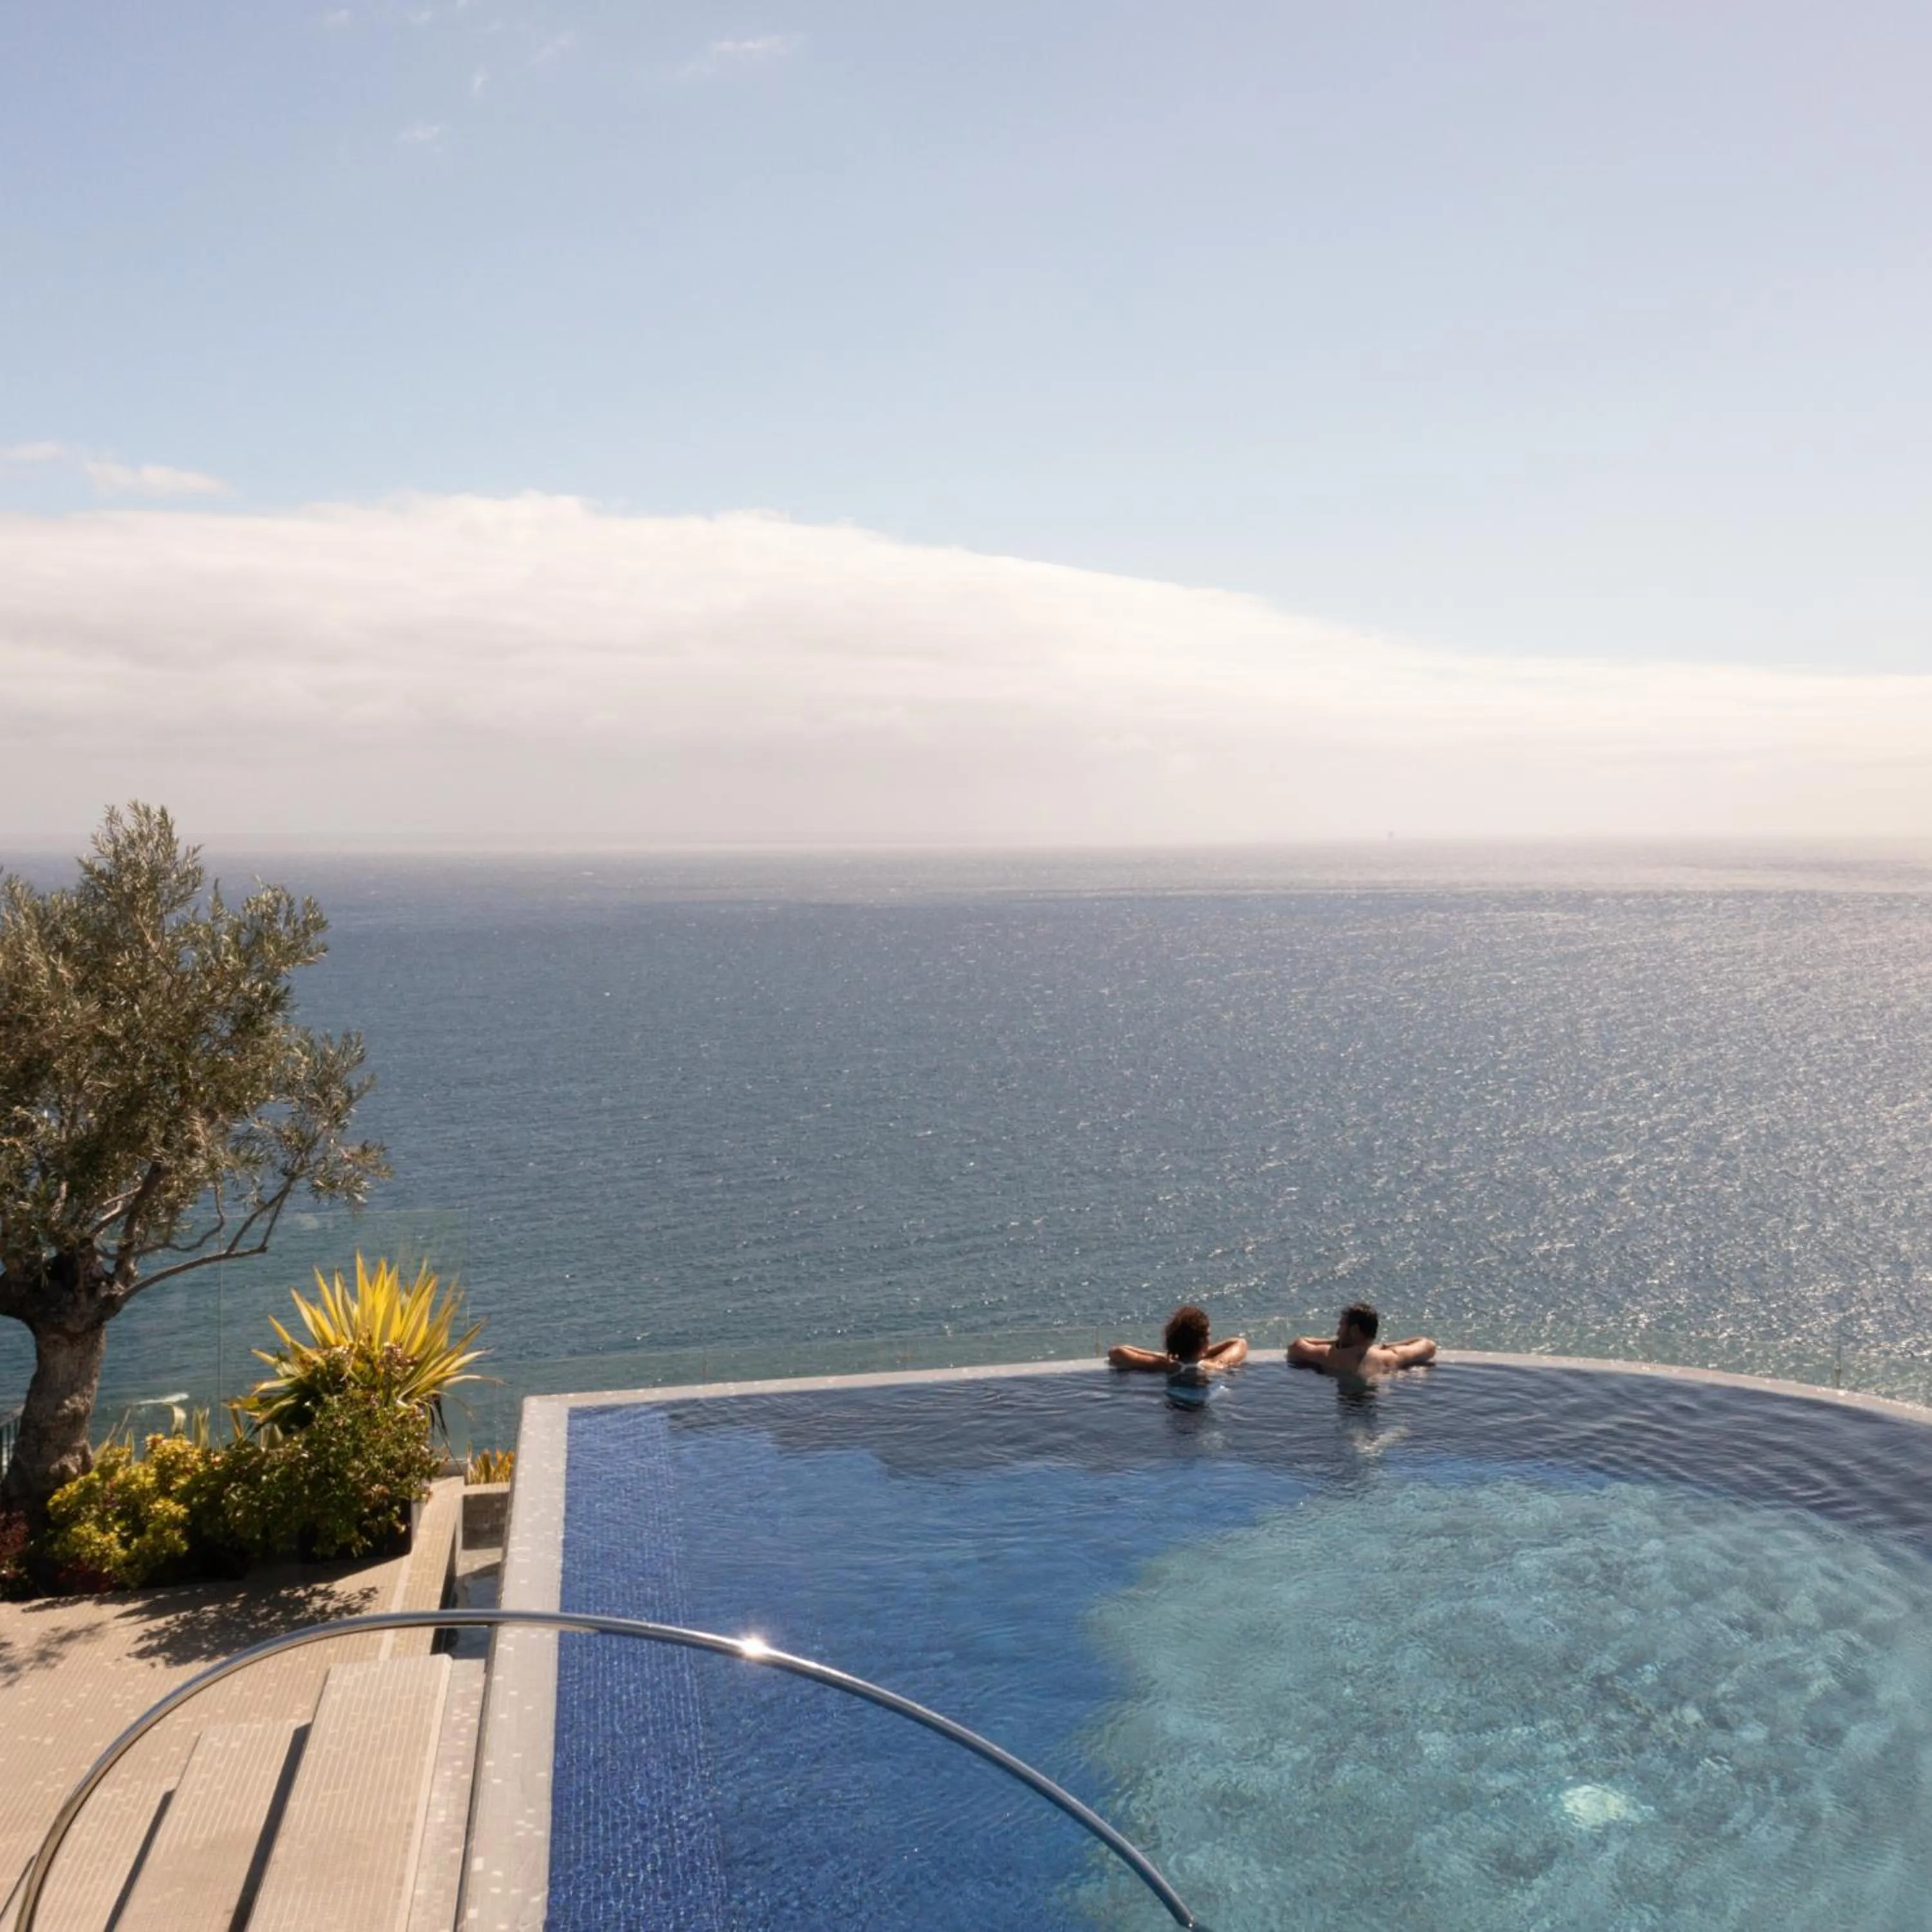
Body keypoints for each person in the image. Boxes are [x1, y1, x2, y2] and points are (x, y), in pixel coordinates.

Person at [1109, 1304, 1249, 1406]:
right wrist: (1204, 1354)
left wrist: (1163, 1356)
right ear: (1204, 1342)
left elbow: (1117, 1352)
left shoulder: (1163, 1365)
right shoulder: (1215, 1365)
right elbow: (1239, 1343)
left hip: (1174, 1404)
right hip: (1208, 1401)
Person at [1288, 1303, 1435, 1381]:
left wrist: (1333, 1342)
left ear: (1355, 1330)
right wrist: (1386, 1346)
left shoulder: (1331, 1355)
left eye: (1341, 1326)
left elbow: (1297, 1345)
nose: (1338, 1332)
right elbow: (1428, 1344)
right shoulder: (1389, 1357)